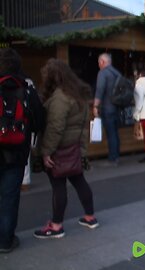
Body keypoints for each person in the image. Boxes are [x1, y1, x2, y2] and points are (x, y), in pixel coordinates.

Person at [33, 59, 98, 239]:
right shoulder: (78, 94)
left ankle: (56, 226)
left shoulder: (60, 98)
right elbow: (82, 126)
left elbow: (55, 127)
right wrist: (82, 149)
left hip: (59, 149)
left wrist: (46, 151)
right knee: (79, 181)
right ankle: (90, 217)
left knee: (58, 185)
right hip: (74, 147)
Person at [0, 48, 45, 253]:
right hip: (17, 152)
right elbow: (39, 120)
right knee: (10, 197)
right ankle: (6, 240)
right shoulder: (26, 88)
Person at [93, 53, 121, 166]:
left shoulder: (103, 73)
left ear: (102, 62)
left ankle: (112, 158)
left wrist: (95, 106)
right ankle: (116, 156)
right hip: (117, 107)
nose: (99, 65)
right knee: (115, 133)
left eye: (99, 62)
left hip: (107, 107)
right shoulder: (117, 73)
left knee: (111, 134)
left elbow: (100, 90)